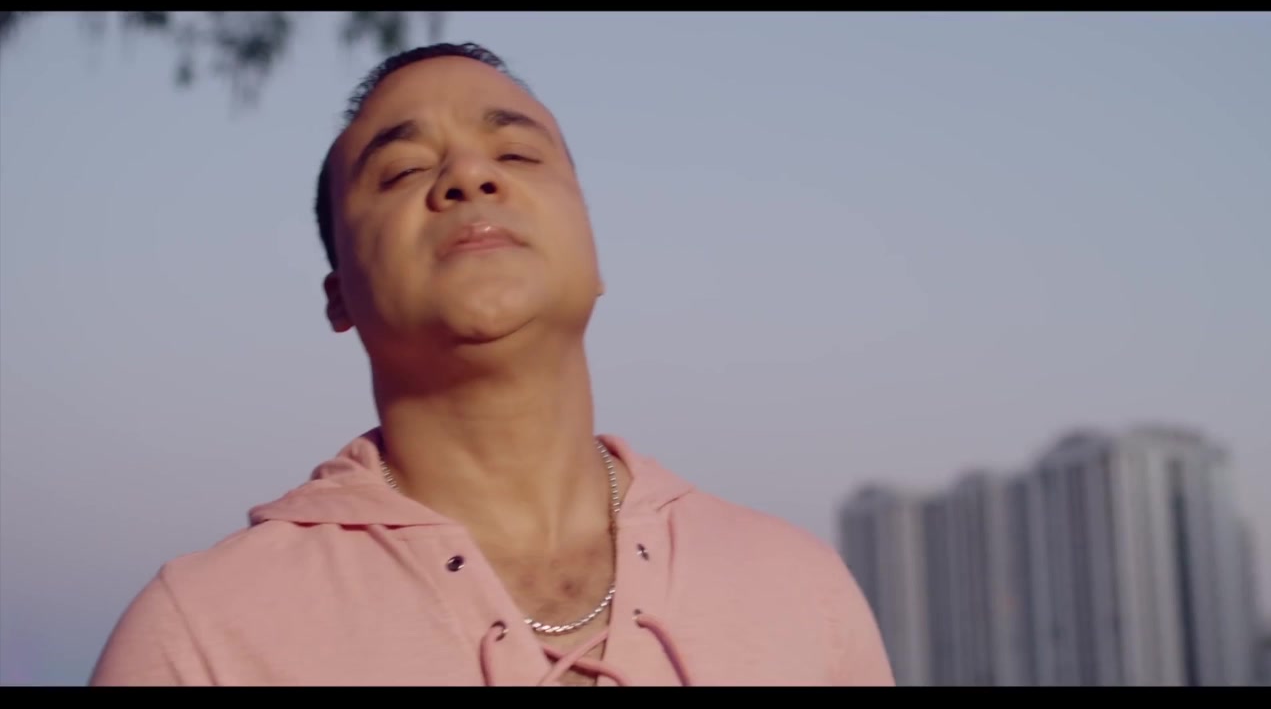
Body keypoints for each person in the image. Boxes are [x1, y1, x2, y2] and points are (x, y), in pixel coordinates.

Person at [89, 42, 895, 687]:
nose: (469, 178)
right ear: (339, 296)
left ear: (593, 251)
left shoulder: (800, 592)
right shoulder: (203, 634)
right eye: (403, 171)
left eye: (515, 153)